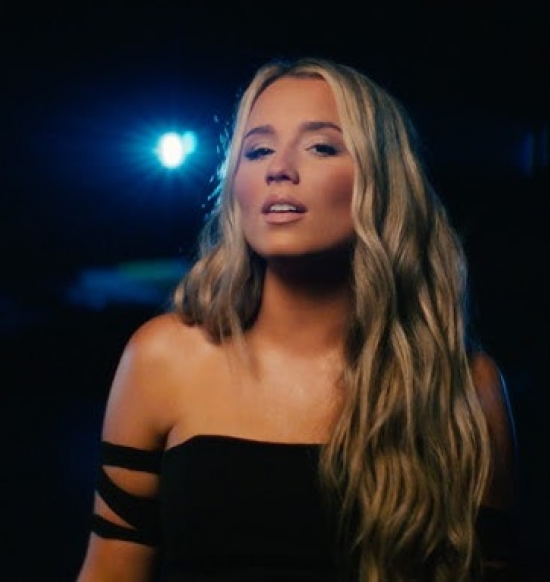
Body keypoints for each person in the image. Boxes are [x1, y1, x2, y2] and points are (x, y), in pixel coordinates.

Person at [75, 56, 517, 582]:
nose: (278, 169)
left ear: (381, 182)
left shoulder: (465, 386)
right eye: (258, 150)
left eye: (321, 147)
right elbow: (108, 571)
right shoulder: (162, 358)